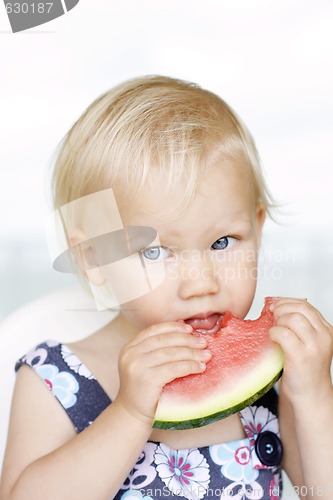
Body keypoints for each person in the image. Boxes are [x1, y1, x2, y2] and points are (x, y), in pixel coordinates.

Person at [1, 76, 332, 500]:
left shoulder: (276, 373)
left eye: (222, 242)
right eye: (155, 252)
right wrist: (129, 413)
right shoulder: (56, 378)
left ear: (258, 227)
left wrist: (313, 392)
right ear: (93, 258)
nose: (201, 283)